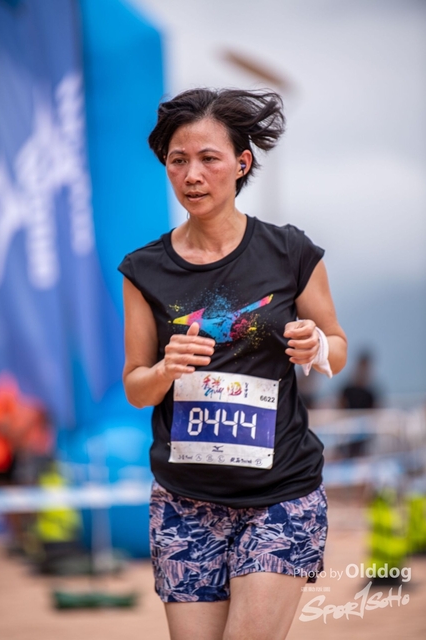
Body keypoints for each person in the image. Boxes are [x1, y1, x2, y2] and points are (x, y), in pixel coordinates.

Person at [118, 88, 347, 640]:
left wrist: (315, 346)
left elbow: (337, 346)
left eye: (208, 159)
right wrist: (165, 370)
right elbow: (135, 387)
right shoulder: (143, 270)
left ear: (241, 164)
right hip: (183, 501)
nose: (192, 175)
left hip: (281, 493)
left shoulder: (290, 252)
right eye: (178, 160)